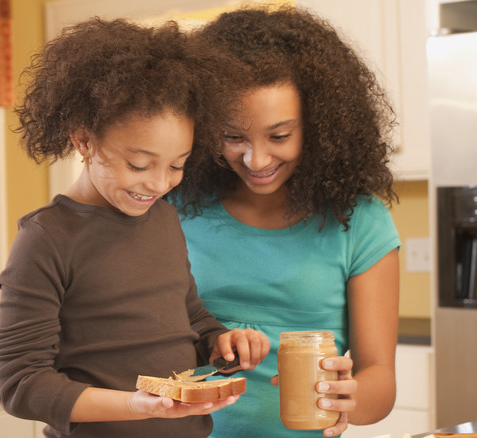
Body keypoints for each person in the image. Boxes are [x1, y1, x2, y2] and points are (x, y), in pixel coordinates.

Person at [0, 18, 270, 438]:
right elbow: (22, 385)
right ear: (84, 140)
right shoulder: (46, 238)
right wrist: (136, 406)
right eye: (138, 165)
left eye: (177, 165)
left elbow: (189, 319)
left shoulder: (164, 218)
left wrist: (221, 343)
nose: (160, 184)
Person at [170, 6, 401, 438]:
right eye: (233, 136)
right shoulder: (174, 205)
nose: (256, 160)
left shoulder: (360, 221)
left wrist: (348, 395)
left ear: (319, 126)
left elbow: (380, 380)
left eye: (279, 136)